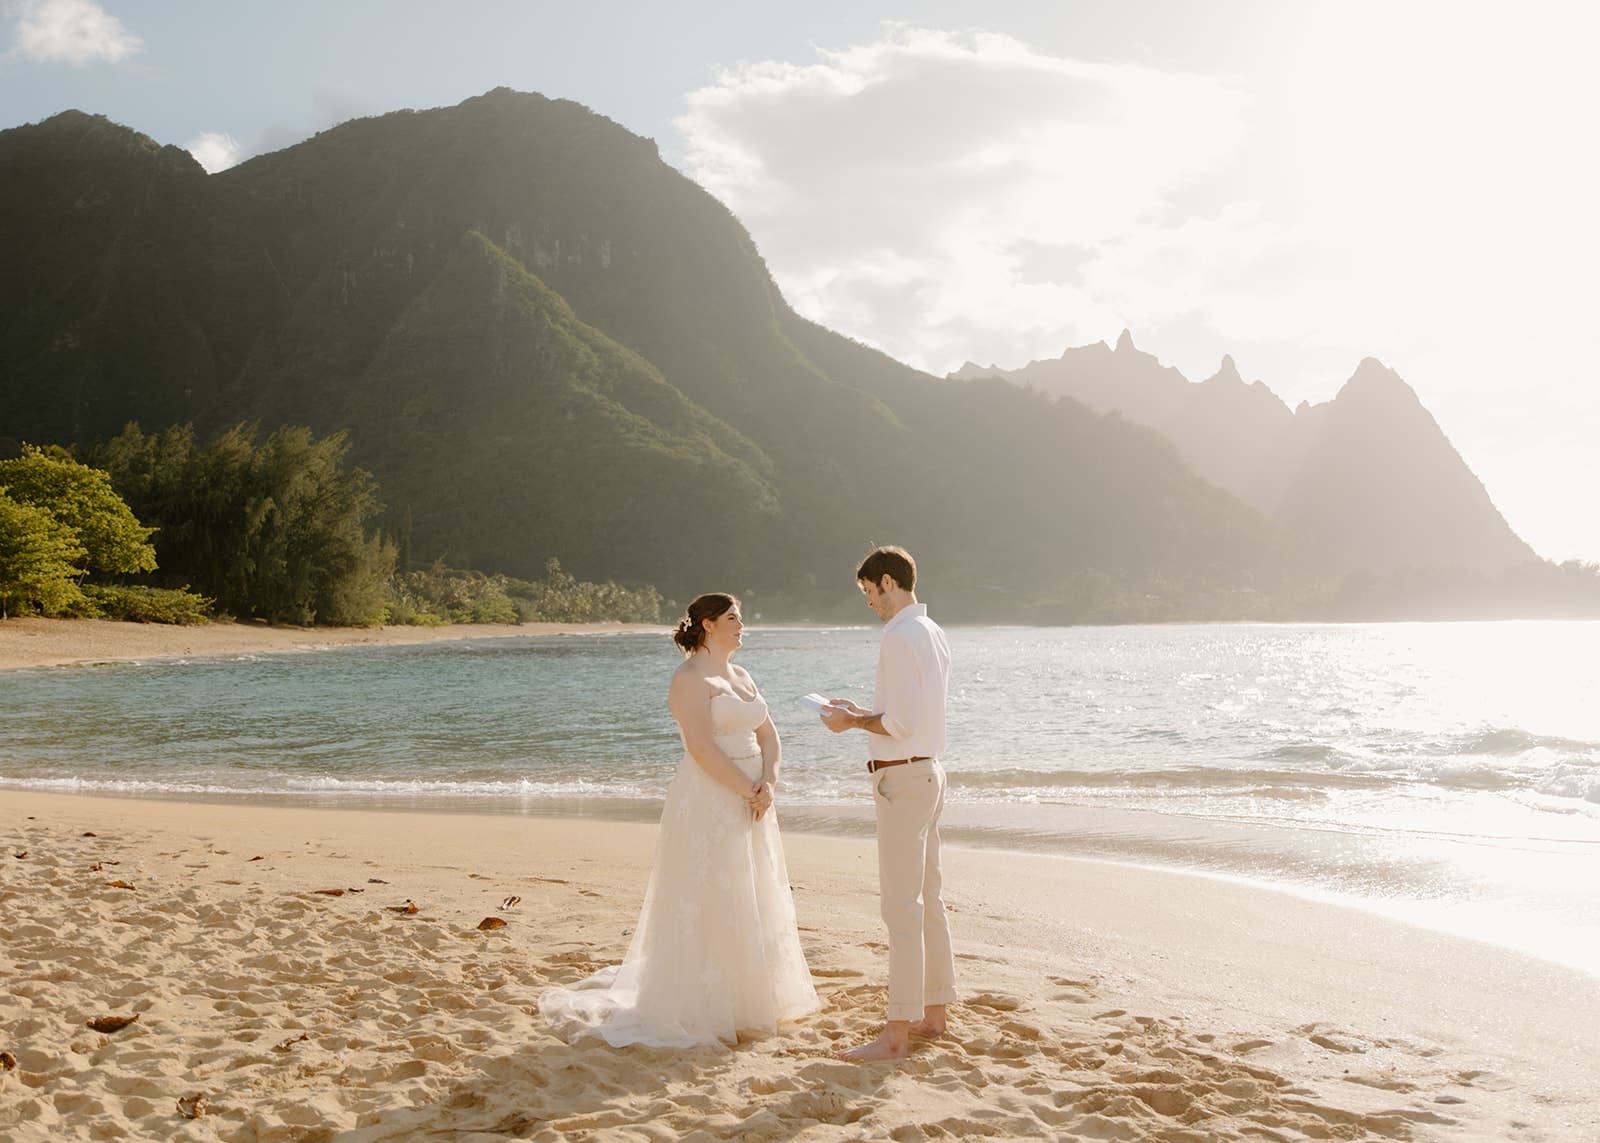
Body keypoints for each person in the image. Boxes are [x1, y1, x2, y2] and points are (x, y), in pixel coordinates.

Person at [539, 593, 818, 1047]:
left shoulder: (742, 676)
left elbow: (769, 736)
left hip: (754, 799)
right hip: (712, 796)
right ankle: (709, 1002)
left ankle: (753, 999)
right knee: (715, 891)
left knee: (755, 888)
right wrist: (746, 789)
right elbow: (701, 748)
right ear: (707, 625)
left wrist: (769, 781)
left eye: (741, 617)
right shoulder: (688, 678)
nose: (741, 625)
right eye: (732, 618)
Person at [820, 545, 956, 1061]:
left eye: (868, 593)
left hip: (903, 779)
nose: (869, 603)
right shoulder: (933, 631)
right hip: (930, 773)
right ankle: (935, 1015)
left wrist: (851, 721)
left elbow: (897, 725)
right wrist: (862, 712)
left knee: (900, 907)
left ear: (886, 582)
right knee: (929, 899)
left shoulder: (899, 636)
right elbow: (912, 716)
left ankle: (896, 1034)